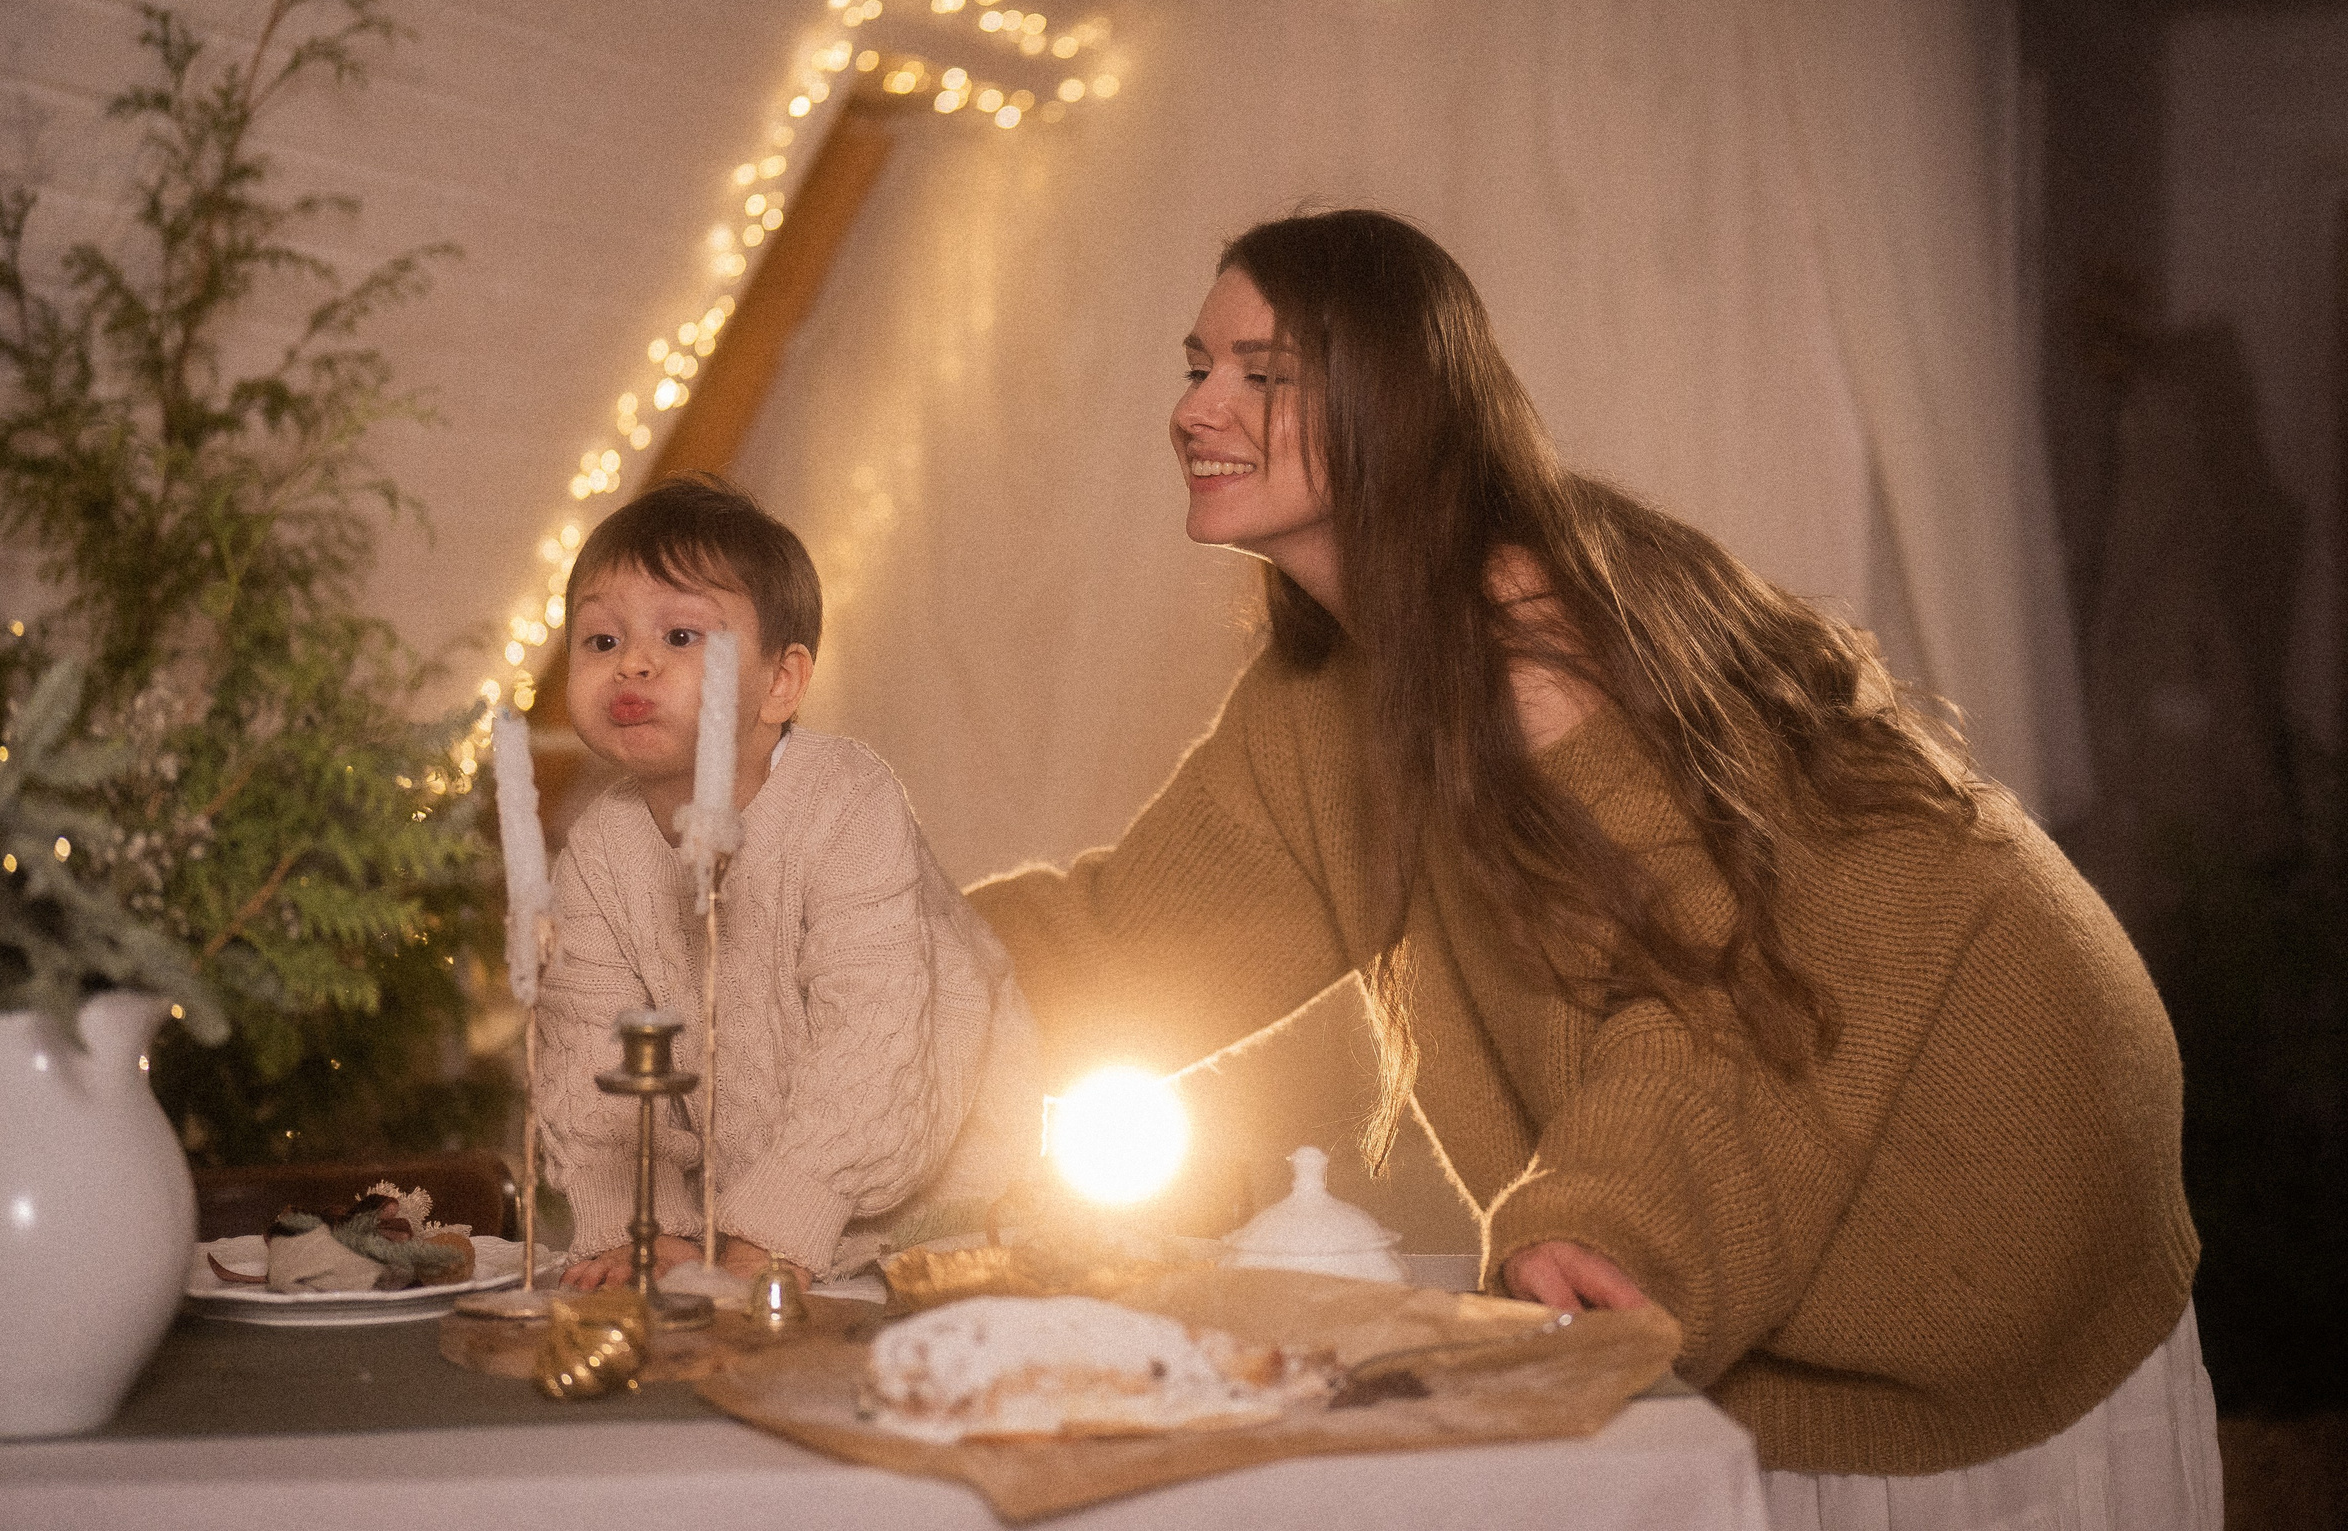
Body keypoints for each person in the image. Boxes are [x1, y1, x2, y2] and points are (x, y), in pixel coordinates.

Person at [968, 210, 2217, 1525]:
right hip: (1780, 1267)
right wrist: (837, 954)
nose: (1197, 406)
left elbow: (1726, 982)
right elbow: (1115, 943)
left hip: (1976, 1226)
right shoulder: (1324, 703)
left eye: (1261, 372)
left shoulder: (1542, 647)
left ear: (1397, 397)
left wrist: (1602, 1223)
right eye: (1196, 364)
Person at [539, 475, 1037, 1290]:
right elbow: (590, 1049)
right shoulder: (598, 854)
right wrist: (643, 1222)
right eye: (600, 641)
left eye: (679, 637)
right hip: (744, 1195)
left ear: (781, 683)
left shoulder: (847, 805)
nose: (632, 662)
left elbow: (871, 1037)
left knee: (913, 1320)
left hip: (938, 1173)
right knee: (698, 1324)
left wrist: (788, 1215)